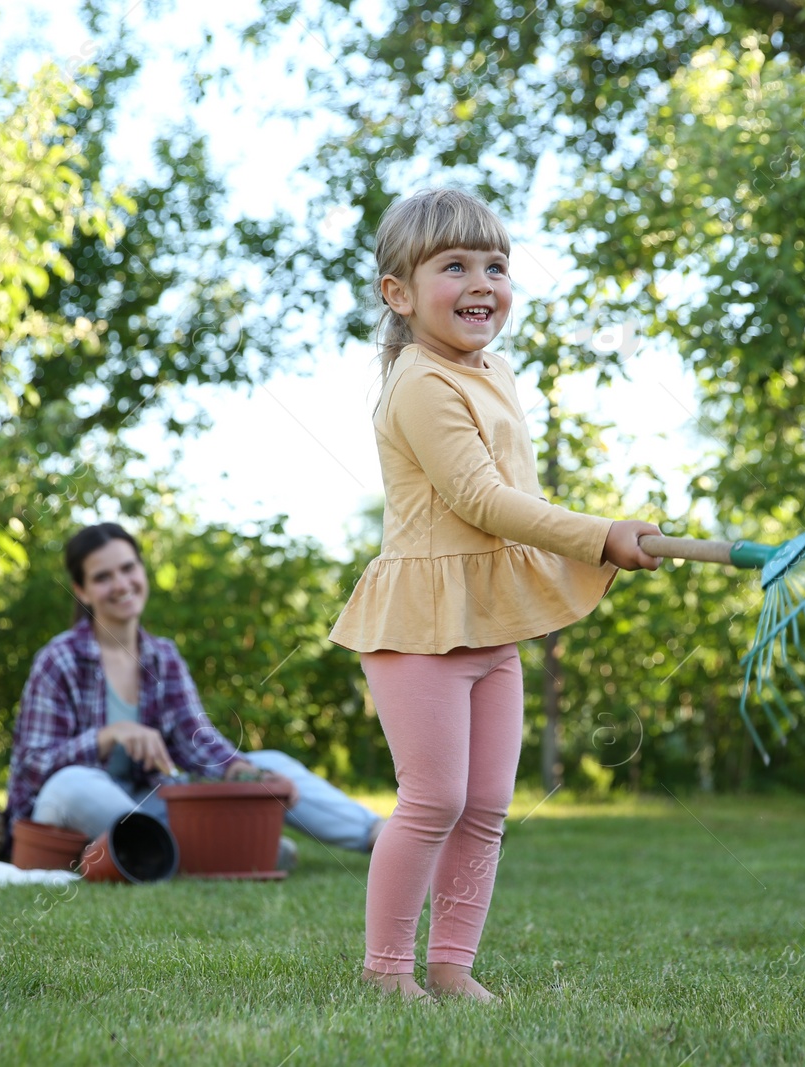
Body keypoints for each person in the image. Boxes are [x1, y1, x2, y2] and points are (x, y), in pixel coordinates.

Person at [329, 188, 663, 1002]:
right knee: (433, 798)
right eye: (456, 266)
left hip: (487, 618)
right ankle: (384, 974)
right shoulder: (419, 383)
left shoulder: (495, 370)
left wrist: (600, 539)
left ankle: (451, 966)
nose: (483, 282)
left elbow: (518, 490)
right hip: (419, 625)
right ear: (399, 294)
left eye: (497, 266)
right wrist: (598, 534)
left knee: (484, 805)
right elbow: (480, 500)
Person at [6, 523, 385, 870]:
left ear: (141, 570)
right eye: (103, 577)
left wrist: (237, 769)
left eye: (127, 569)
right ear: (82, 589)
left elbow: (198, 741)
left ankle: (381, 836)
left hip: (143, 805)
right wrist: (108, 736)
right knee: (73, 783)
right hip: (64, 810)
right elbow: (33, 766)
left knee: (270, 763)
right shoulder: (59, 659)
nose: (121, 584)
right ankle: (213, 852)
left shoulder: (163, 657)